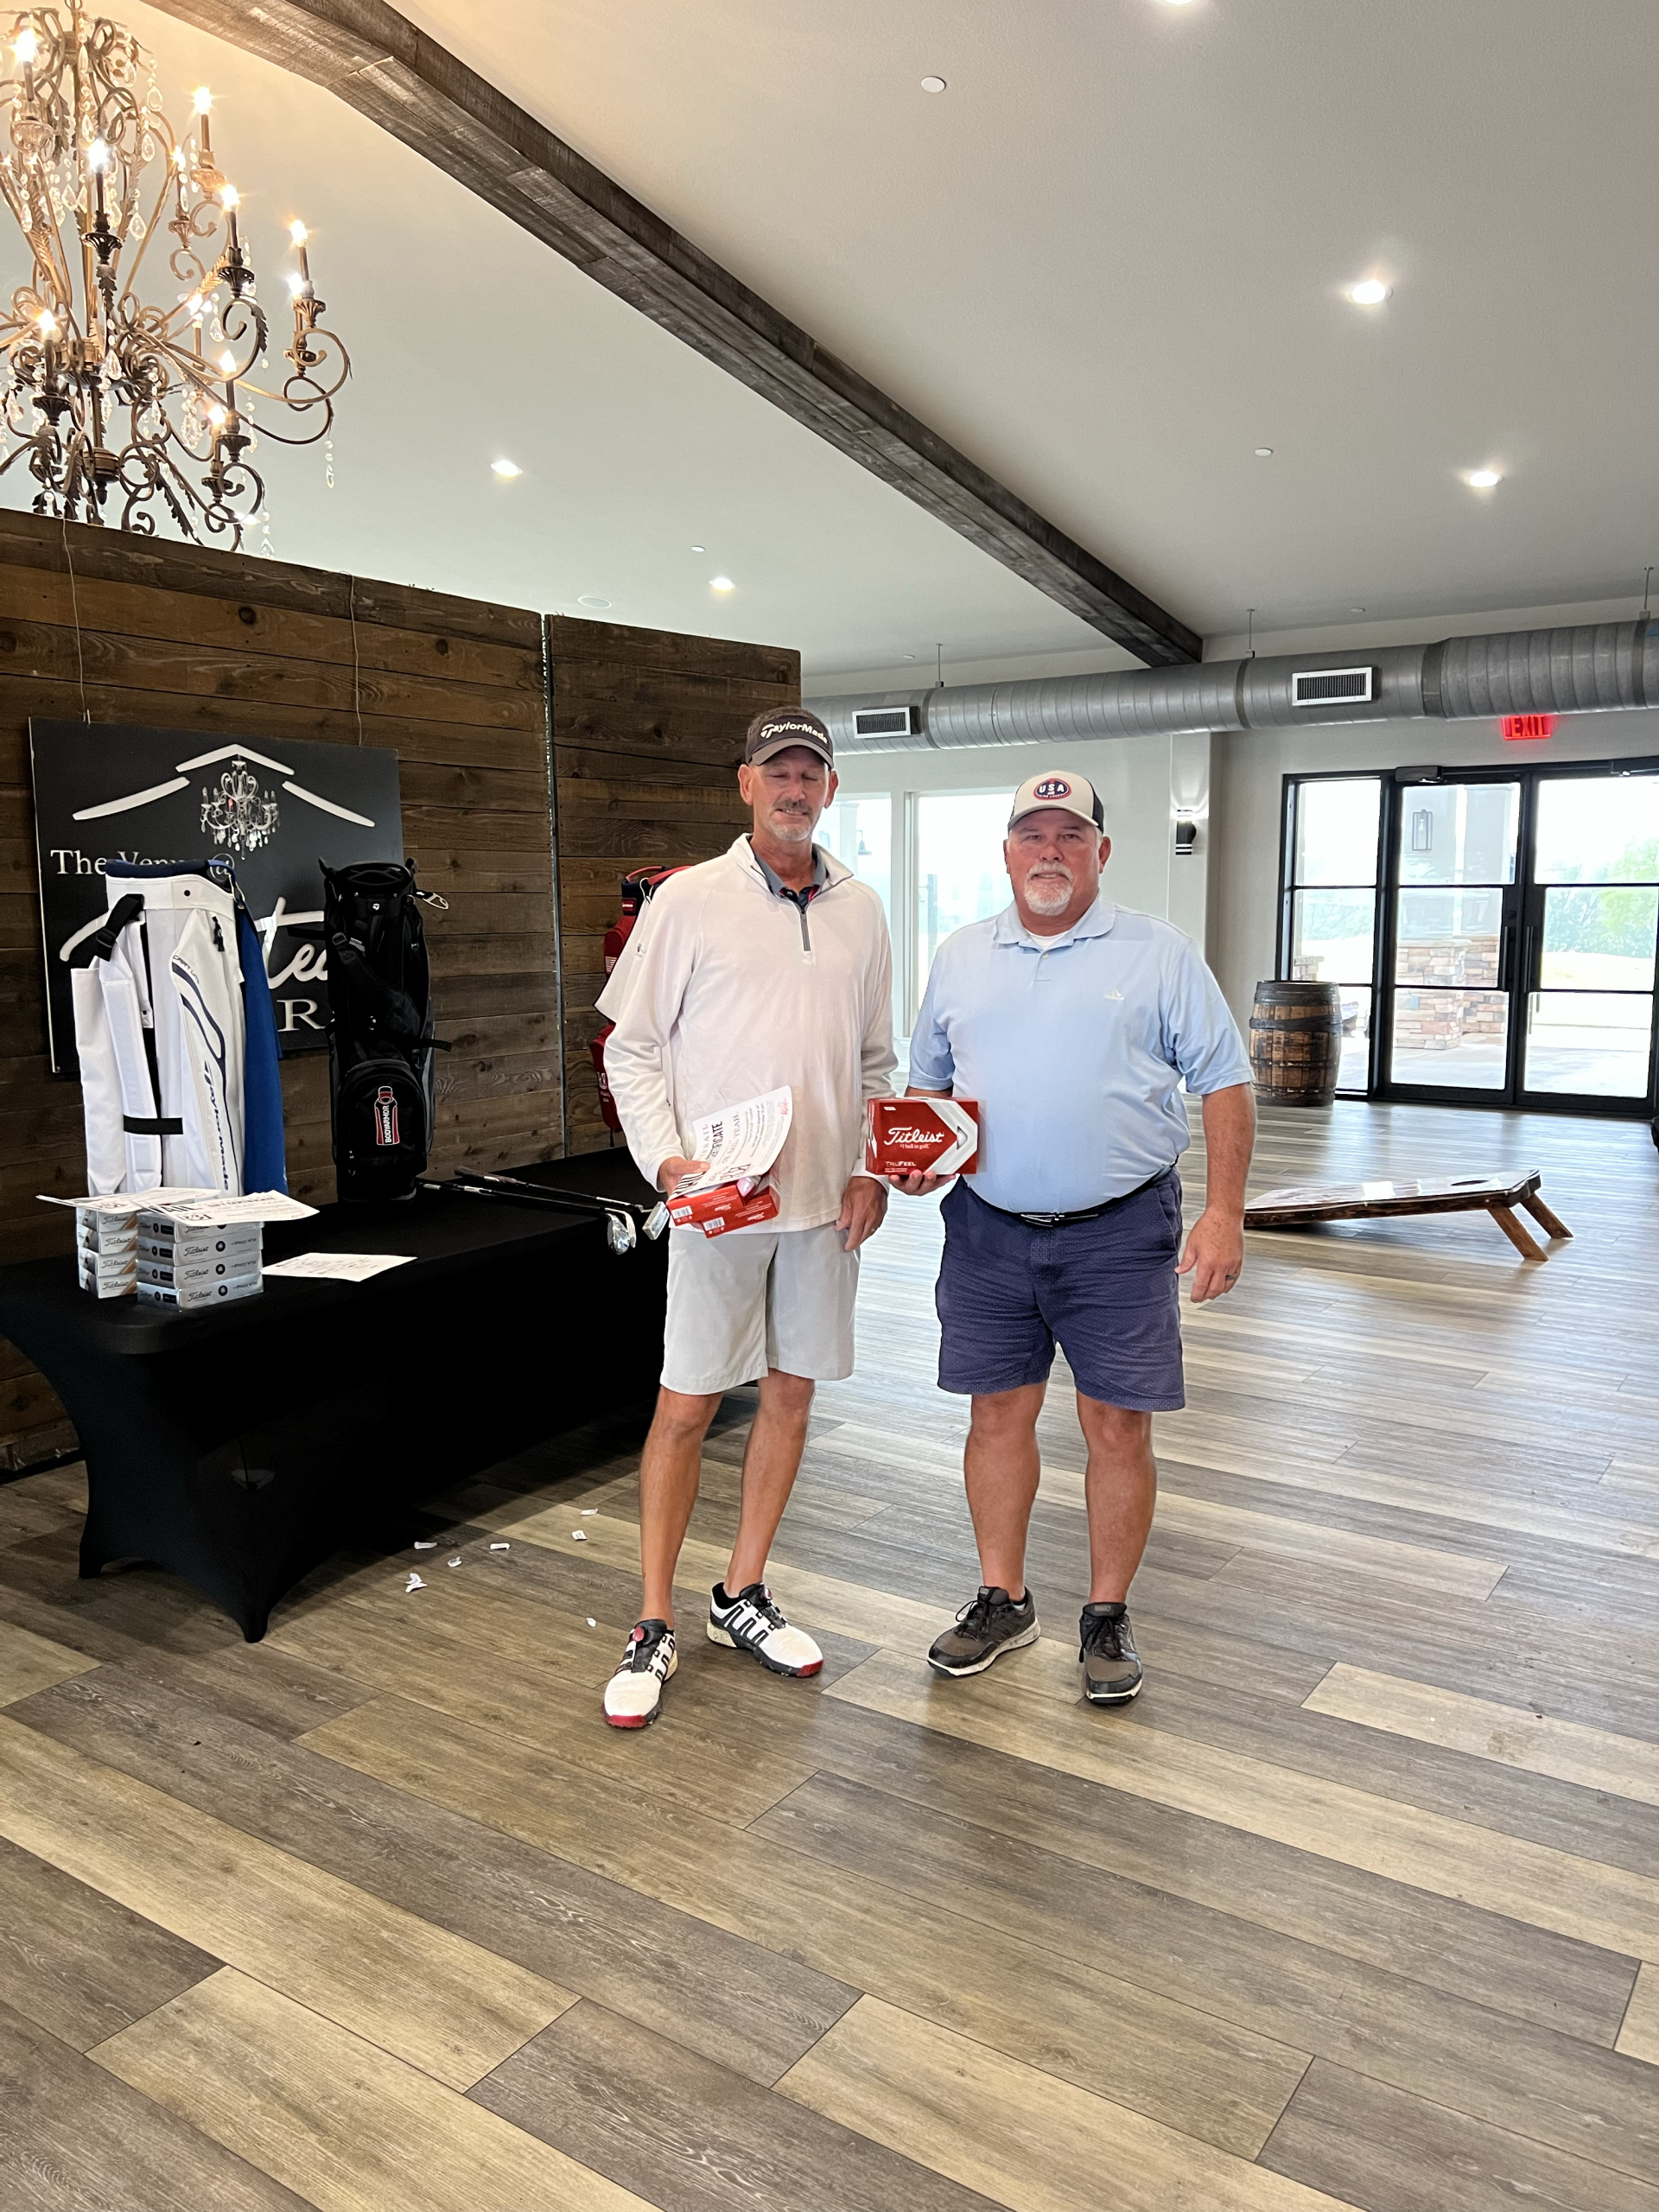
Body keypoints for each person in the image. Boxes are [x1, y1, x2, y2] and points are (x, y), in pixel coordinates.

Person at [887, 768, 1254, 1707]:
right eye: (1032, 835)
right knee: (994, 1416)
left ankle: (1106, 1613)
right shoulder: (961, 955)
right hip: (986, 1231)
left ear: (1101, 850)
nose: (1050, 851)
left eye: (1069, 835)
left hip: (1119, 1232)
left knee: (1116, 1424)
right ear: (1007, 852)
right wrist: (920, 1155)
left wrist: (1224, 1212)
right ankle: (1002, 1600)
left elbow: (1224, 1079)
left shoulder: (1158, 952)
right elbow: (928, 1084)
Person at [594, 705, 895, 1727]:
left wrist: (871, 1169)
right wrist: (666, 1161)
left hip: (822, 1206)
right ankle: (653, 1618)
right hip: (719, 1203)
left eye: (810, 773)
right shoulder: (688, 900)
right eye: (778, 771)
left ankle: (741, 1592)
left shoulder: (863, 909)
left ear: (830, 789)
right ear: (746, 783)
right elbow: (631, 1047)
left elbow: (874, 1061)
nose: (794, 788)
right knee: (685, 1405)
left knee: (791, 1393)